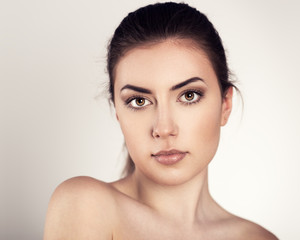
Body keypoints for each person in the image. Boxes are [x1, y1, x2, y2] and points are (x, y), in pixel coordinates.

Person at [44, 2, 278, 239]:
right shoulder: (86, 204)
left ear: (225, 106)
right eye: (138, 101)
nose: (164, 129)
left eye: (189, 96)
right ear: (117, 111)